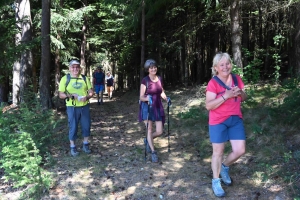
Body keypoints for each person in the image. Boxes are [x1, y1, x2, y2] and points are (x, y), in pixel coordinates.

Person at [205, 52, 247, 197]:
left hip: (235, 119)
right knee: (218, 152)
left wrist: (240, 92)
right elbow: (209, 105)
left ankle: (224, 167)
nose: (225, 67)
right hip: (218, 121)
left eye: (227, 63)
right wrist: (226, 95)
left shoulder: (236, 78)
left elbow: (244, 97)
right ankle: (216, 181)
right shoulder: (213, 83)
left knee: (240, 150)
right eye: (221, 65)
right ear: (216, 67)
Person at [58, 60, 94, 156]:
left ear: (80, 68)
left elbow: (91, 91)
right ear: (69, 68)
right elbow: (61, 94)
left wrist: (87, 97)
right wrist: (70, 95)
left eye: (77, 67)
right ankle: (73, 147)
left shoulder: (84, 78)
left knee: (86, 125)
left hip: (84, 106)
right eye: (73, 67)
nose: (75, 69)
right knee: (73, 126)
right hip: (72, 106)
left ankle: (85, 144)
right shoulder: (65, 79)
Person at [139, 59, 168, 163]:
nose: (153, 69)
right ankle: (153, 152)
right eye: (151, 68)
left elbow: (161, 92)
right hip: (147, 107)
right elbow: (141, 97)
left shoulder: (159, 78)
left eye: (154, 67)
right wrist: (148, 98)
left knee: (160, 131)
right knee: (150, 129)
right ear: (148, 69)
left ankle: (147, 140)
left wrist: (166, 98)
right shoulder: (145, 80)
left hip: (157, 106)